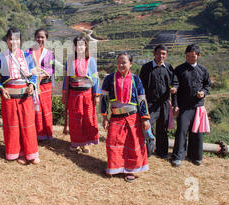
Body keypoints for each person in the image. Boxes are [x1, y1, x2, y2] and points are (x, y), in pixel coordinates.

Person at [0, 27, 40, 165]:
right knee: (13, 125)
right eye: (11, 39)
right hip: (9, 96)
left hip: (25, 95)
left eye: (17, 39)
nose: (14, 41)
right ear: (7, 41)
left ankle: (31, 153)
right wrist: (1, 89)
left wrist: (32, 84)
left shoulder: (27, 57)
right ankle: (16, 153)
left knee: (28, 124)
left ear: (21, 41)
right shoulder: (0, 58)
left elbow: (34, 74)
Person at [101, 52, 152, 182]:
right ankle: (115, 167)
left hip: (132, 117)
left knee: (132, 143)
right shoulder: (109, 79)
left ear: (130, 64)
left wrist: (145, 118)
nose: (121, 65)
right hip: (116, 117)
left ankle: (131, 171)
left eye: (124, 62)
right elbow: (104, 98)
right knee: (113, 141)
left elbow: (141, 99)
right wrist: (104, 116)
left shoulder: (136, 79)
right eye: (119, 62)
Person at [171, 44, 211, 167]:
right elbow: (175, 87)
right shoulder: (179, 69)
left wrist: (203, 93)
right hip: (183, 107)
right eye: (187, 56)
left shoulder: (203, 70)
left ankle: (195, 156)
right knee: (181, 130)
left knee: (197, 132)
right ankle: (178, 156)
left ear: (198, 55)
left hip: (198, 106)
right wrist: (175, 105)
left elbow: (207, 86)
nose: (190, 58)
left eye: (192, 56)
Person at [62, 35, 100, 153]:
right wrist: (64, 94)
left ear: (85, 46)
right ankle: (76, 142)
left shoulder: (91, 61)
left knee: (87, 118)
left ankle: (86, 143)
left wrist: (96, 94)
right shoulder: (70, 60)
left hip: (88, 94)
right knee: (75, 119)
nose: (80, 47)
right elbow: (66, 79)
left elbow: (95, 78)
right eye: (77, 45)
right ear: (74, 47)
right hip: (74, 95)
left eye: (82, 45)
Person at [139, 44, 178, 158]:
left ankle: (162, 152)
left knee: (163, 127)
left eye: (163, 54)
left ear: (166, 55)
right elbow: (141, 86)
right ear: (154, 54)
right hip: (150, 103)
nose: (160, 56)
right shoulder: (146, 67)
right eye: (158, 53)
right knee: (147, 126)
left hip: (164, 103)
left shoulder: (169, 68)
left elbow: (175, 82)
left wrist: (174, 88)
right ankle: (147, 151)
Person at [26, 28, 55, 141]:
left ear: (46, 39)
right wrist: (34, 77)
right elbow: (26, 66)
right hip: (32, 84)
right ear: (35, 38)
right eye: (38, 36)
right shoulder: (29, 52)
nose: (40, 39)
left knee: (45, 109)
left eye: (42, 37)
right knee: (34, 108)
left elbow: (51, 69)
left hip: (45, 85)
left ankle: (46, 134)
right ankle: (35, 134)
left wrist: (42, 76)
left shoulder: (49, 54)